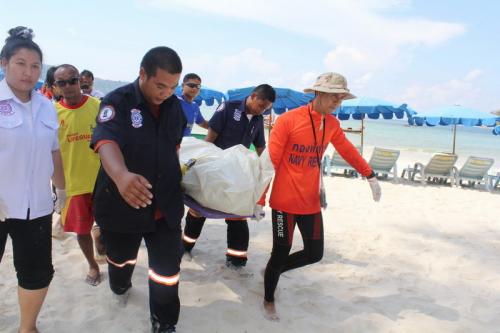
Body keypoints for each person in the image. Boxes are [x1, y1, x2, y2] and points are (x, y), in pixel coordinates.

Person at [261, 72, 382, 321]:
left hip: (311, 201)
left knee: (315, 253)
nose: (338, 101)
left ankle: (273, 272)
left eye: (342, 97)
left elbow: (347, 150)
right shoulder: (288, 121)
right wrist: (259, 199)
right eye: (334, 96)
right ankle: (269, 299)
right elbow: (270, 161)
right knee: (280, 251)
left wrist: (369, 174)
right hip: (284, 201)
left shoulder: (332, 124)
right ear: (319, 93)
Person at [90, 46, 186, 333]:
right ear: (142, 73)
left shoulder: (175, 107)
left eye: (172, 87)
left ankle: (164, 321)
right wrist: (120, 176)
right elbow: (106, 141)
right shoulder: (117, 101)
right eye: (160, 85)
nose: (166, 93)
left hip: (164, 206)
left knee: (167, 272)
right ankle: (120, 285)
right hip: (123, 204)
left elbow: (175, 147)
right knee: (121, 260)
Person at [0, 26, 65, 333]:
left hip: (36, 207)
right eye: (21, 64)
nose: (28, 72)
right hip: (1, 204)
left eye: (35, 66)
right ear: (4, 63)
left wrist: (63, 191)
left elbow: (54, 151)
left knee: (37, 272)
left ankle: (27, 327)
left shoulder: (46, 106)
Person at [182, 84, 276, 269]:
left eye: (266, 109)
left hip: (236, 173)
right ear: (253, 96)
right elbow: (209, 139)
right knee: (198, 210)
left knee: (237, 214)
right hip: (214, 168)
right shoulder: (229, 107)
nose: (262, 111)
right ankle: (185, 247)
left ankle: (236, 260)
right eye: (261, 106)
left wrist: (266, 168)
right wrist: (199, 164)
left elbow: (259, 148)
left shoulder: (257, 120)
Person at [53, 64, 103, 285]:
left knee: (108, 230)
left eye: (73, 80)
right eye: (62, 83)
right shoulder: (52, 113)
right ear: (56, 87)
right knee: (82, 232)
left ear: (80, 82)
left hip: (103, 182)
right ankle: (93, 266)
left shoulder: (99, 107)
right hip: (73, 185)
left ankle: (104, 250)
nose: (69, 86)